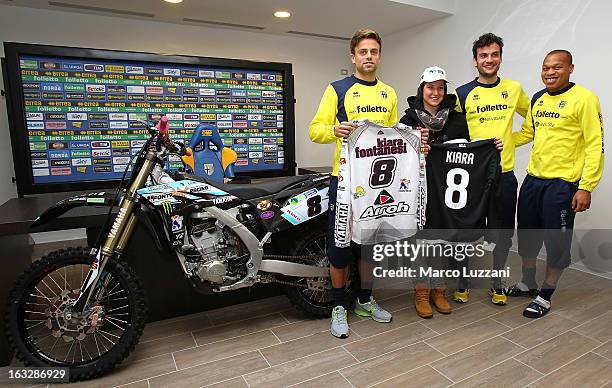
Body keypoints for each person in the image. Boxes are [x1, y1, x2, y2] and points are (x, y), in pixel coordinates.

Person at [309, 29, 427, 338]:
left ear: (379, 55)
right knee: (339, 246)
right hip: (345, 181)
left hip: (376, 186)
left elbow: (390, 137)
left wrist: (415, 143)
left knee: (369, 246)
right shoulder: (338, 89)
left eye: (374, 51)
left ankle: (364, 299)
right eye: (363, 51)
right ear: (353, 56)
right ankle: (338, 306)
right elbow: (314, 130)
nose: (369, 56)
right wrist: (333, 130)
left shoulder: (388, 92)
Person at [400, 66, 502, 318]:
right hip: (418, 190)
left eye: (440, 88)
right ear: (421, 89)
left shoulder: (457, 119)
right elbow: (399, 154)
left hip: (446, 191)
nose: (435, 92)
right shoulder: (408, 120)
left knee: (441, 241)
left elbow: (466, 152)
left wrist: (490, 146)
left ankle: (439, 291)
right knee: (421, 243)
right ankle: (421, 292)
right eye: (430, 87)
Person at [509, 49, 604, 318]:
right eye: (545, 68)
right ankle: (528, 282)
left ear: (570, 68)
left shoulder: (585, 99)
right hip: (533, 180)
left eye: (557, 67)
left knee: (556, 242)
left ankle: (546, 293)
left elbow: (595, 144)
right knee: (527, 236)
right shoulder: (538, 98)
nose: (550, 72)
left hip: (563, 185)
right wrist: (499, 141)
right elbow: (528, 132)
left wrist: (586, 186)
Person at [454, 33, 530, 305]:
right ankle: (462, 280)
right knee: (465, 231)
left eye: (494, 54)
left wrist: (509, 141)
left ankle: (497, 281)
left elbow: (534, 122)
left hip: (504, 174)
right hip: (470, 176)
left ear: (500, 57)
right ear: (475, 61)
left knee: (502, 232)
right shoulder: (461, 94)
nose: (489, 60)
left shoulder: (514, 88)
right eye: (483, 55)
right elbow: (455, 133)